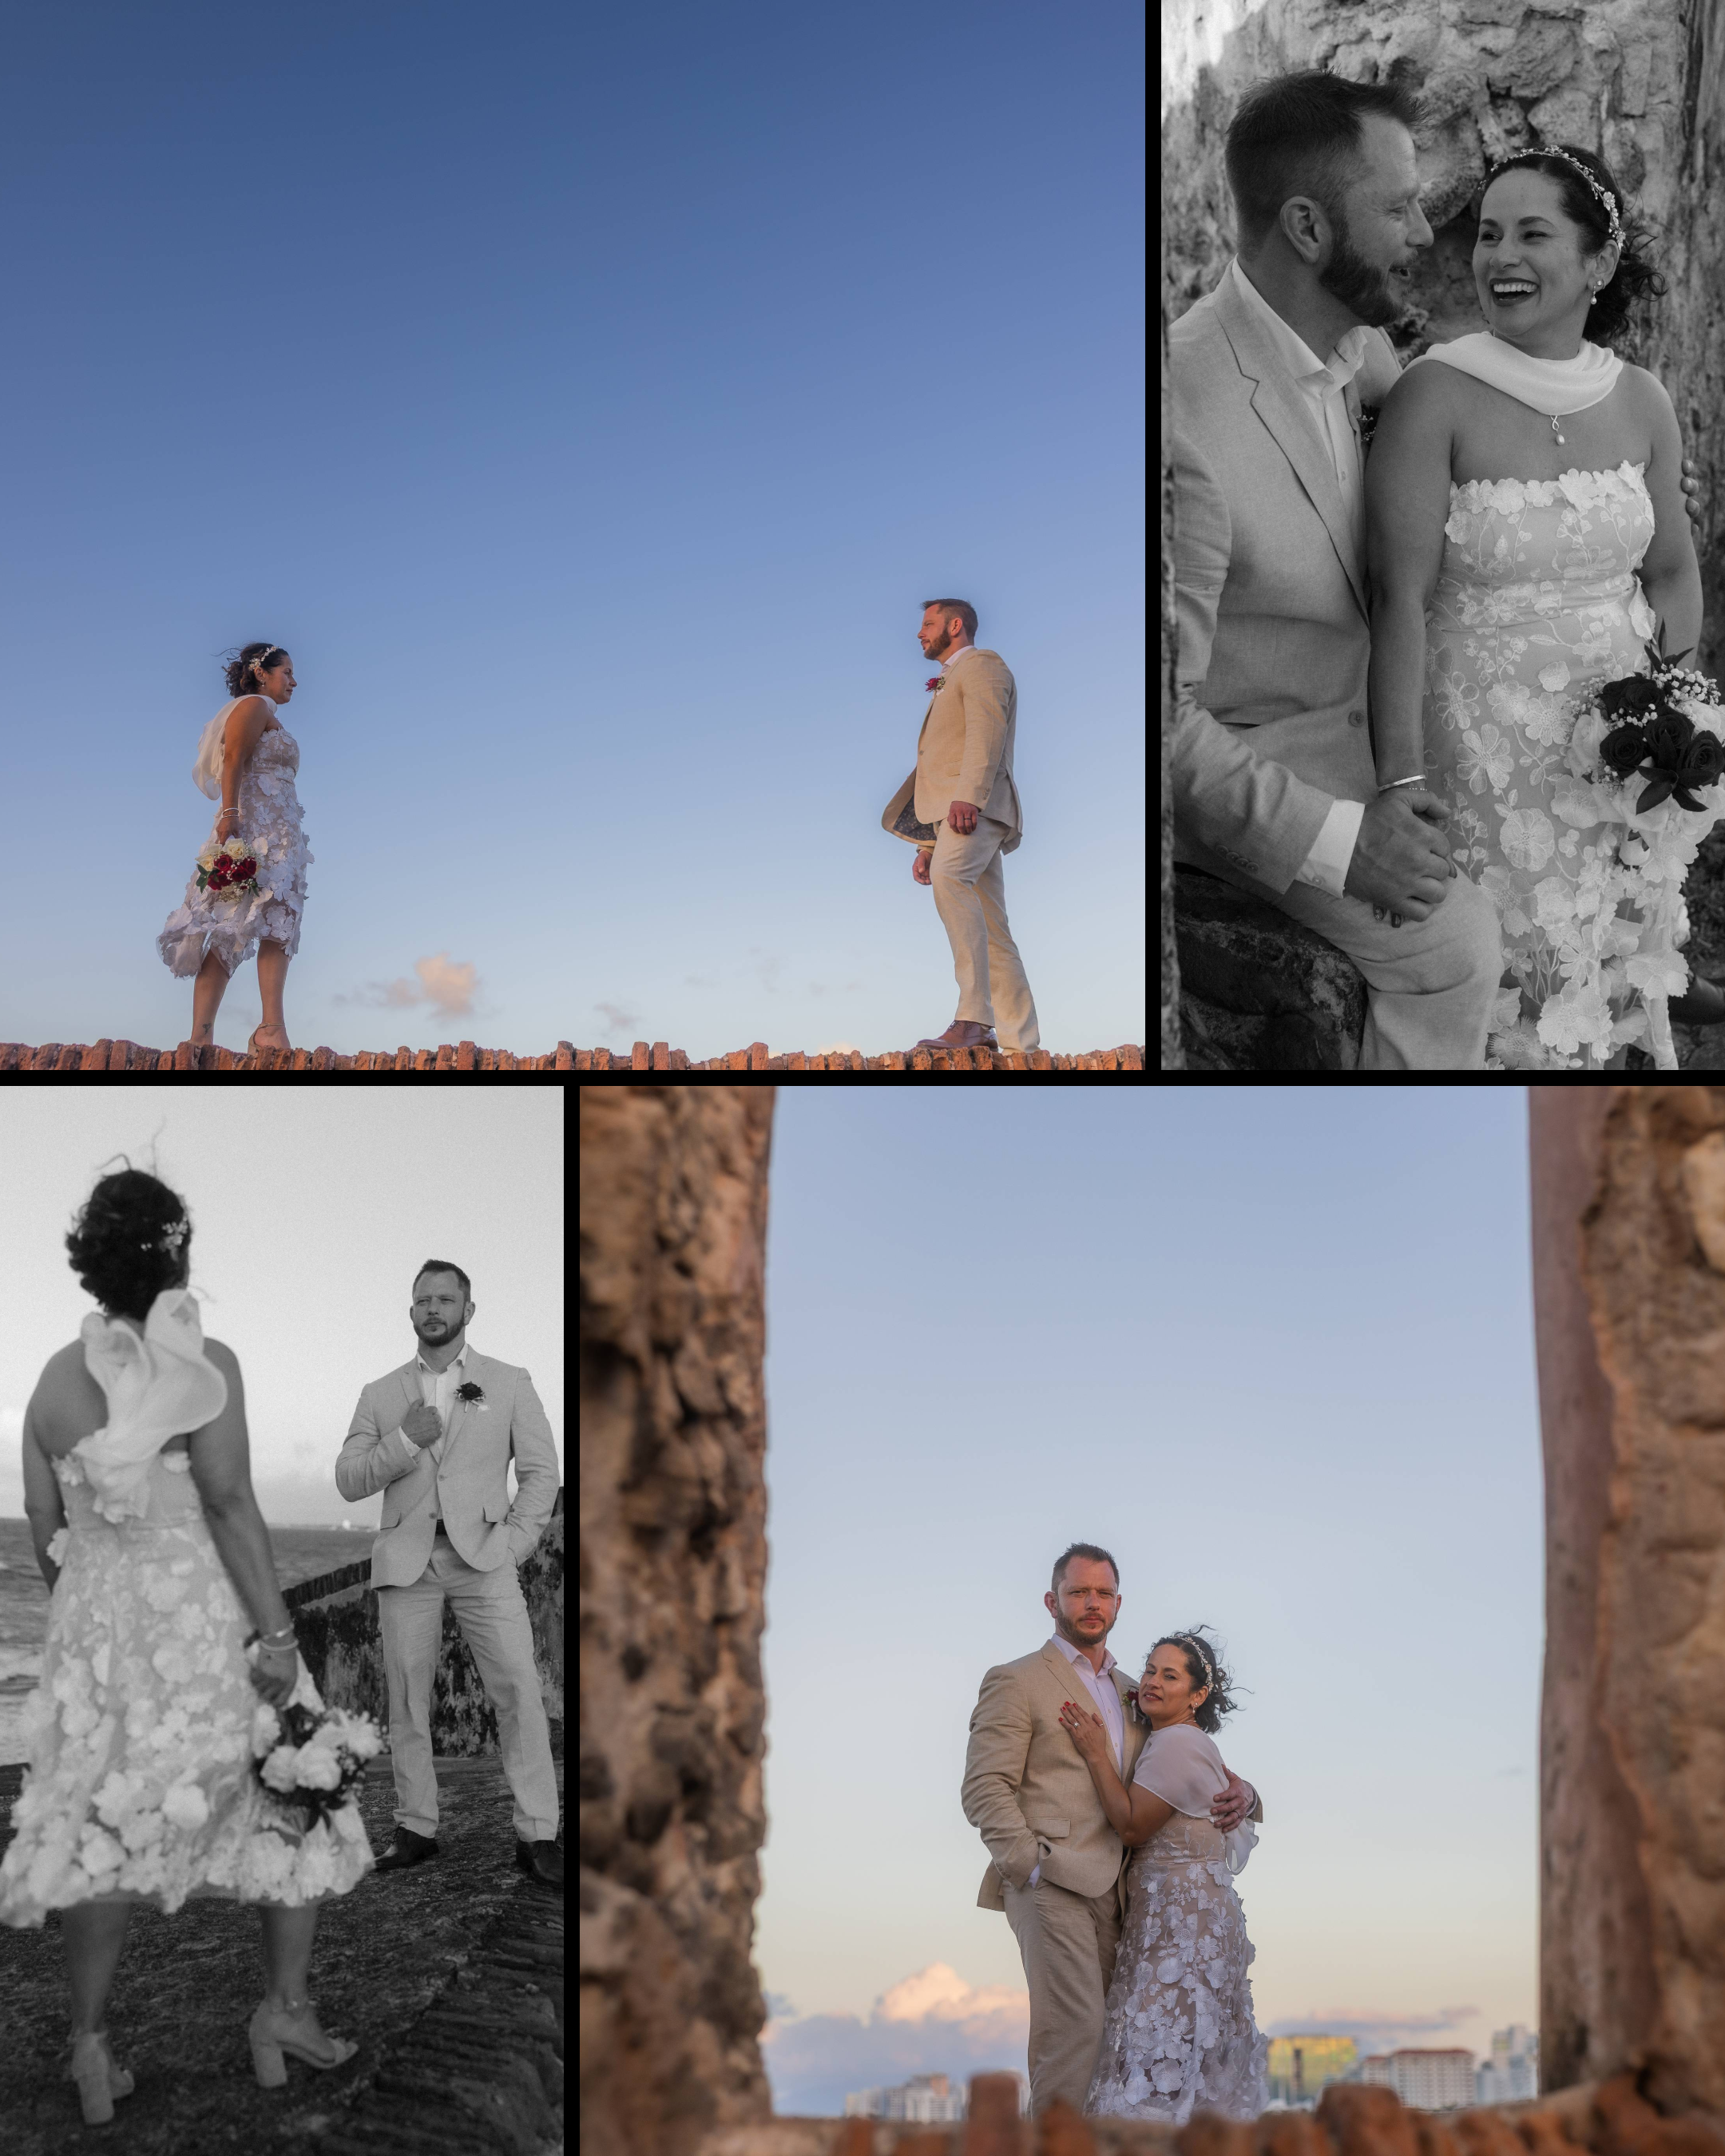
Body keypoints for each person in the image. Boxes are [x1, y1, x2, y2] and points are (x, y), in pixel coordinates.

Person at [1168, 71, 1704, 1068]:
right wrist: (1339, 842)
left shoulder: (1360, 348)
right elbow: (1161, 719)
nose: (1431, 236)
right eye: (1400, 208)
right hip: (1279, 765)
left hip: (1434, 727)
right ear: (1307, 227)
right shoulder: (1180, 418)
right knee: (1459, 945)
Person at [0, 1166, 369, 2126]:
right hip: (210, 1621)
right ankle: (284, 2012)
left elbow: (42, 1520)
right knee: (293, 1787)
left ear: (91, 1263)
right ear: (177, 1259)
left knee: (101, 1822)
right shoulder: (210, 1365)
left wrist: (90, 1617)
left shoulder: (49, 1381)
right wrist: (277, 1635)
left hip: (99, 1627)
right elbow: (229, 1500)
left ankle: (90, 2046)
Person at [1366, 143, 1716, 1069]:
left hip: (1616, 747)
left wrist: (1671, 711)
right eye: (1488, 236)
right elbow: (1398, 600)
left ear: (1599, 262)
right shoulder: (1433, 393)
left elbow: (1672, 573)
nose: (1500, 258)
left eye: (1532, 234)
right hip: (1484, 758)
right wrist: (1401, 787)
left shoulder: (1642, 400)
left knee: (1605, 974)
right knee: (1512, 1007)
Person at [960, 1544, 1260, 2116]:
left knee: (1112, 2053)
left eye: (1103, 1593)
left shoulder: (1135, 1690)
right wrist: (1029, 1866)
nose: (1091, 1603)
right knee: (1074, 2035)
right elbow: (983, 1787)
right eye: (1078, 1592)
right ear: (1052, 1601)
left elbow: (1186, 1761)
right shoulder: (1016, 1680)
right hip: (1052, 1880)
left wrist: (1249, 1793)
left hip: (1125, 1896)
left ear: (1118, 1604)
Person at [334, 1264, 562, 1888]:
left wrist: (514, 1544)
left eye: (445, 1299)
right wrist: (404, 1442)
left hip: (485, 1560)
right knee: (408, 1700)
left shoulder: (507, 1381)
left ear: (468, 1309)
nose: (433, 1308)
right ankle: (415, 1828)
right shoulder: (380, 1393)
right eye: (423, 1300)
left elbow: (542, 1473)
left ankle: (538, 1834)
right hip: (407, 1562)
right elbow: (349, 1479)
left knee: (520, 1691)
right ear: (411, 1312)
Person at [1064, 1631, 1268, 2121]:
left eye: (1170, 1676)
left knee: (1161, 2056)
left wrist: (1095, 1753)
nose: (1153, 1682)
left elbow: (1133, 1827)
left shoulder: (1177, 1743)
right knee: (1181, 2056)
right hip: (1177, 1923)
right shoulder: (1179, 1739)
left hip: (1183, 1931)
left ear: (1198, 1695)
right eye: (1150, 1670)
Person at [880, 599, 1040, 1056]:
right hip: (956, 813)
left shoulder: (983, 665)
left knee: (950, 880)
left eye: (928, 624)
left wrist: (969, 796)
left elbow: (986, 734)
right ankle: (1022, 1046)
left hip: (975, 806)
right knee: (993, 928)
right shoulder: (949, 679)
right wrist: (928, 844)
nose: (919, 632)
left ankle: (973, 1019)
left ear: (955, 625)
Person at [157, 642, 314, 1059]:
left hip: (283, 837)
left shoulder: (269, 714)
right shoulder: (253, 707)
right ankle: (201, 1037)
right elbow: (233, 761)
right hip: (254, 833)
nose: (294, 681)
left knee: (280, 923)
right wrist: (229, 817)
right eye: (287, 672)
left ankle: (270, 1028)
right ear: (262, 673)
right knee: (229, 927)